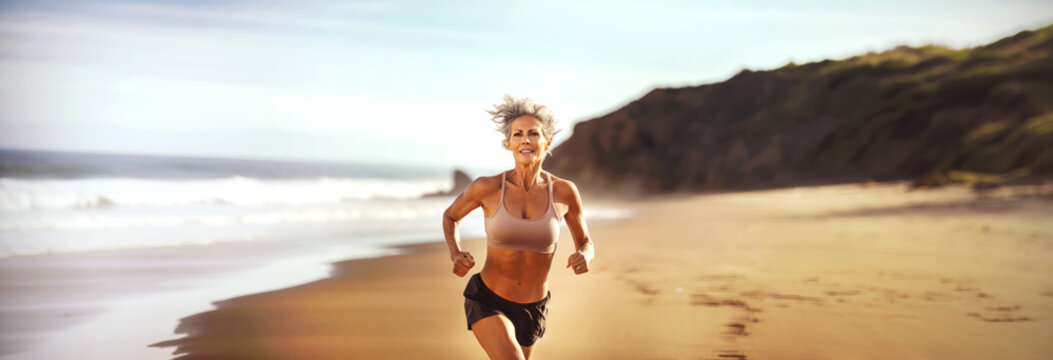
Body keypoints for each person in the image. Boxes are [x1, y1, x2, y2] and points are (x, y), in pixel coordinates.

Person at [442, 95, 595, 360]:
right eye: (518, 134)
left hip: (534, 307)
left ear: (547, 142)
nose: (525, 139)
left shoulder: (564, 192)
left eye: (533, 133)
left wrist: (585, 255)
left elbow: (585, 241)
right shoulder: (488, 188)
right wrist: (455, 253)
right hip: (487, 298)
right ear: (508, 142)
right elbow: (450, 217)